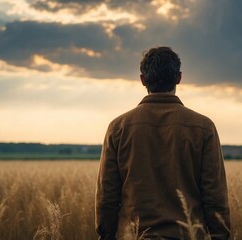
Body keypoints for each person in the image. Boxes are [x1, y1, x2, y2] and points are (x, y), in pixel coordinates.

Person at [95, 46, 230, 240]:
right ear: (179, 78)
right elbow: (215, 195)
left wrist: (107, 235)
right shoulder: (204, 127)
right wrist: (219, 235)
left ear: (143, 80)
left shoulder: (118, 128)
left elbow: (107, 196)